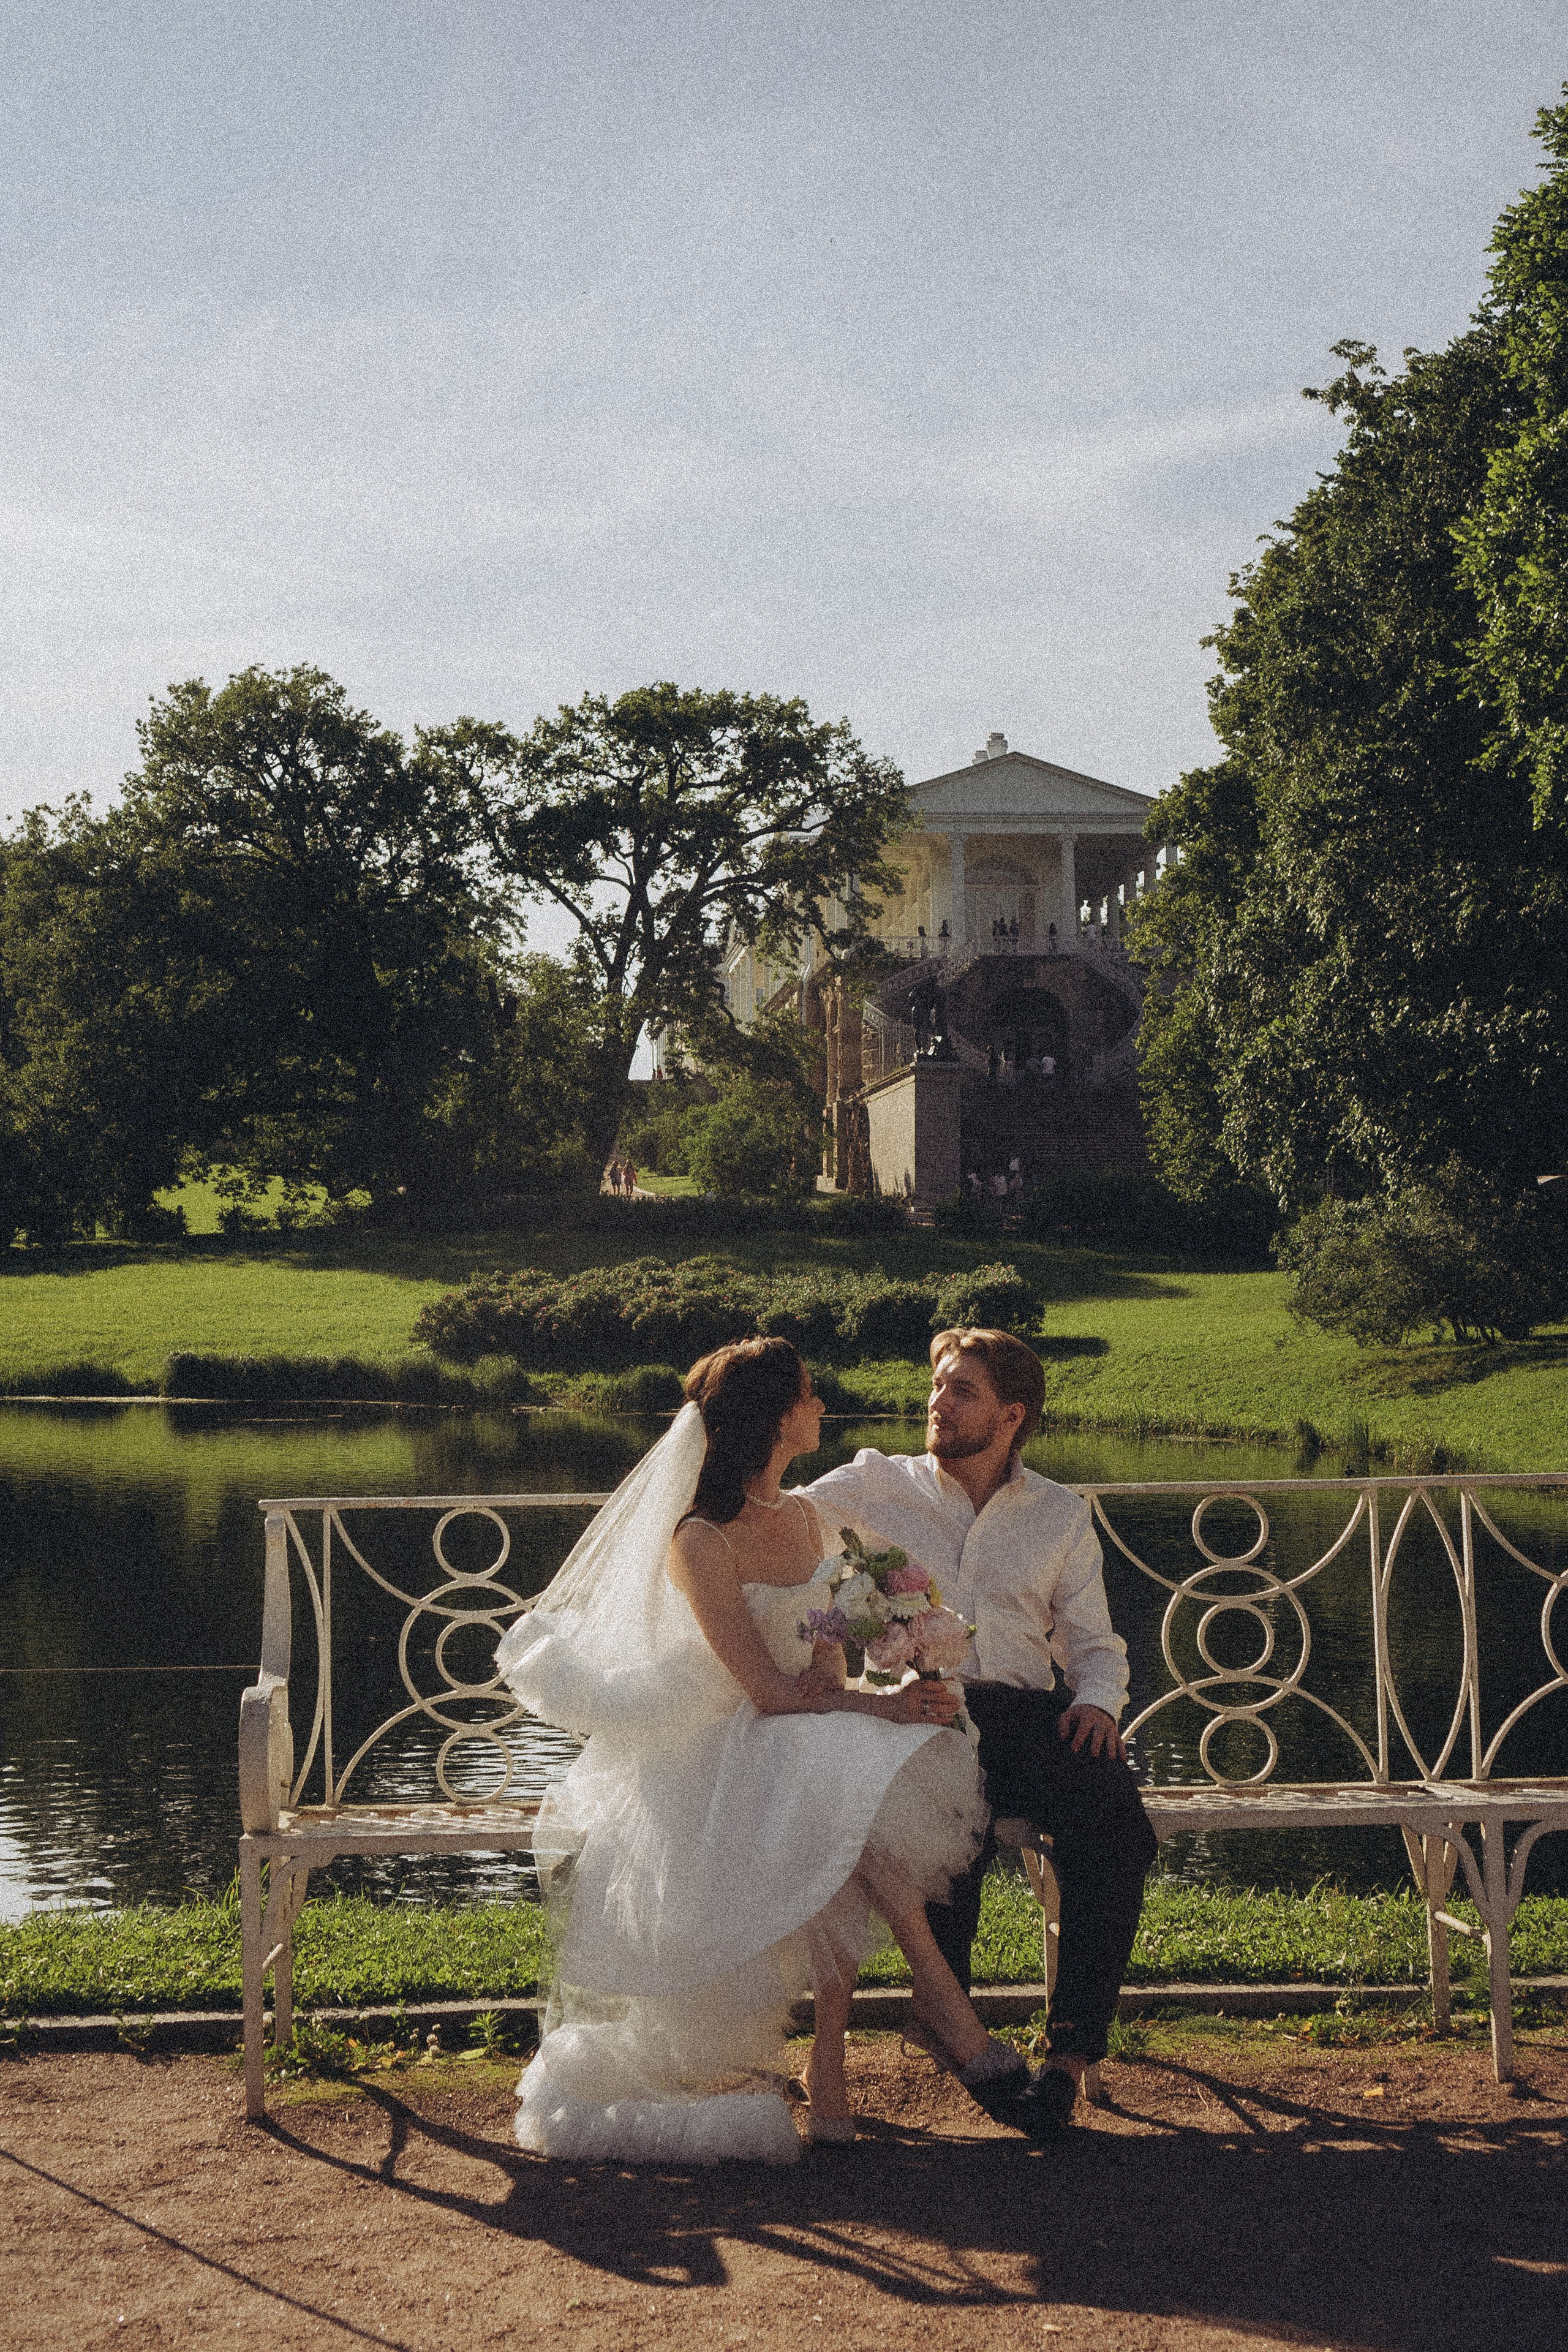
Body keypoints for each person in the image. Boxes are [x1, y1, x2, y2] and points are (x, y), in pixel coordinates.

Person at [496, 1338, 1061, 2164]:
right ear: (774, 1419)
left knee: (853, 1777)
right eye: (808, 1395)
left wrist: (893, 1688)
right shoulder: (699, 1539)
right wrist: (884, 1708)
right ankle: (953, 2027)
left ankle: (865, 2061)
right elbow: (763, 1689)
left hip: (802, 1728)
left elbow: (825, 1656)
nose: (822, 1408)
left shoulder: (804, 1518)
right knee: (845, 1775)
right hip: (719, 1747)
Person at [803, 1328, 1159, 2128]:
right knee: (942, 1825)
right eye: (937, 1385)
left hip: (1029, 1713)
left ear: (1011, 1414)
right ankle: (946, 2021)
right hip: (915, 1715)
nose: (938, 1402)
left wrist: (1098, 1703)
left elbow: (1095, 1643)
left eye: (960, 1391)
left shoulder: (1059, 1514)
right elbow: (774, 1519)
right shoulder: (872, 1485)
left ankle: (1069, 2055)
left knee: (1118, 1828)